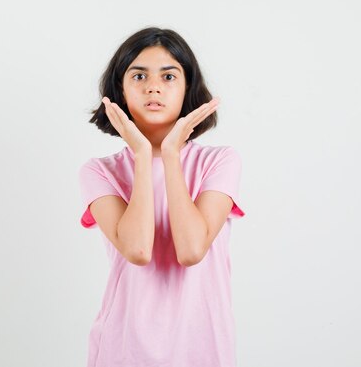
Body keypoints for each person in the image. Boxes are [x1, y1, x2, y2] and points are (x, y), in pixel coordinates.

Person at [78, 27, 246, 367]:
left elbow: (191, 249)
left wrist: (171, 154)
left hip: (202, 350)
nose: (153, 86)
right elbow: (138, 250)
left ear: (187, 90)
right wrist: (142, 154)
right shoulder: (99, 172)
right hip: (123, 350)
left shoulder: (219, 162)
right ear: (121, 92)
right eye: (139, 75)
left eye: (169, 76)